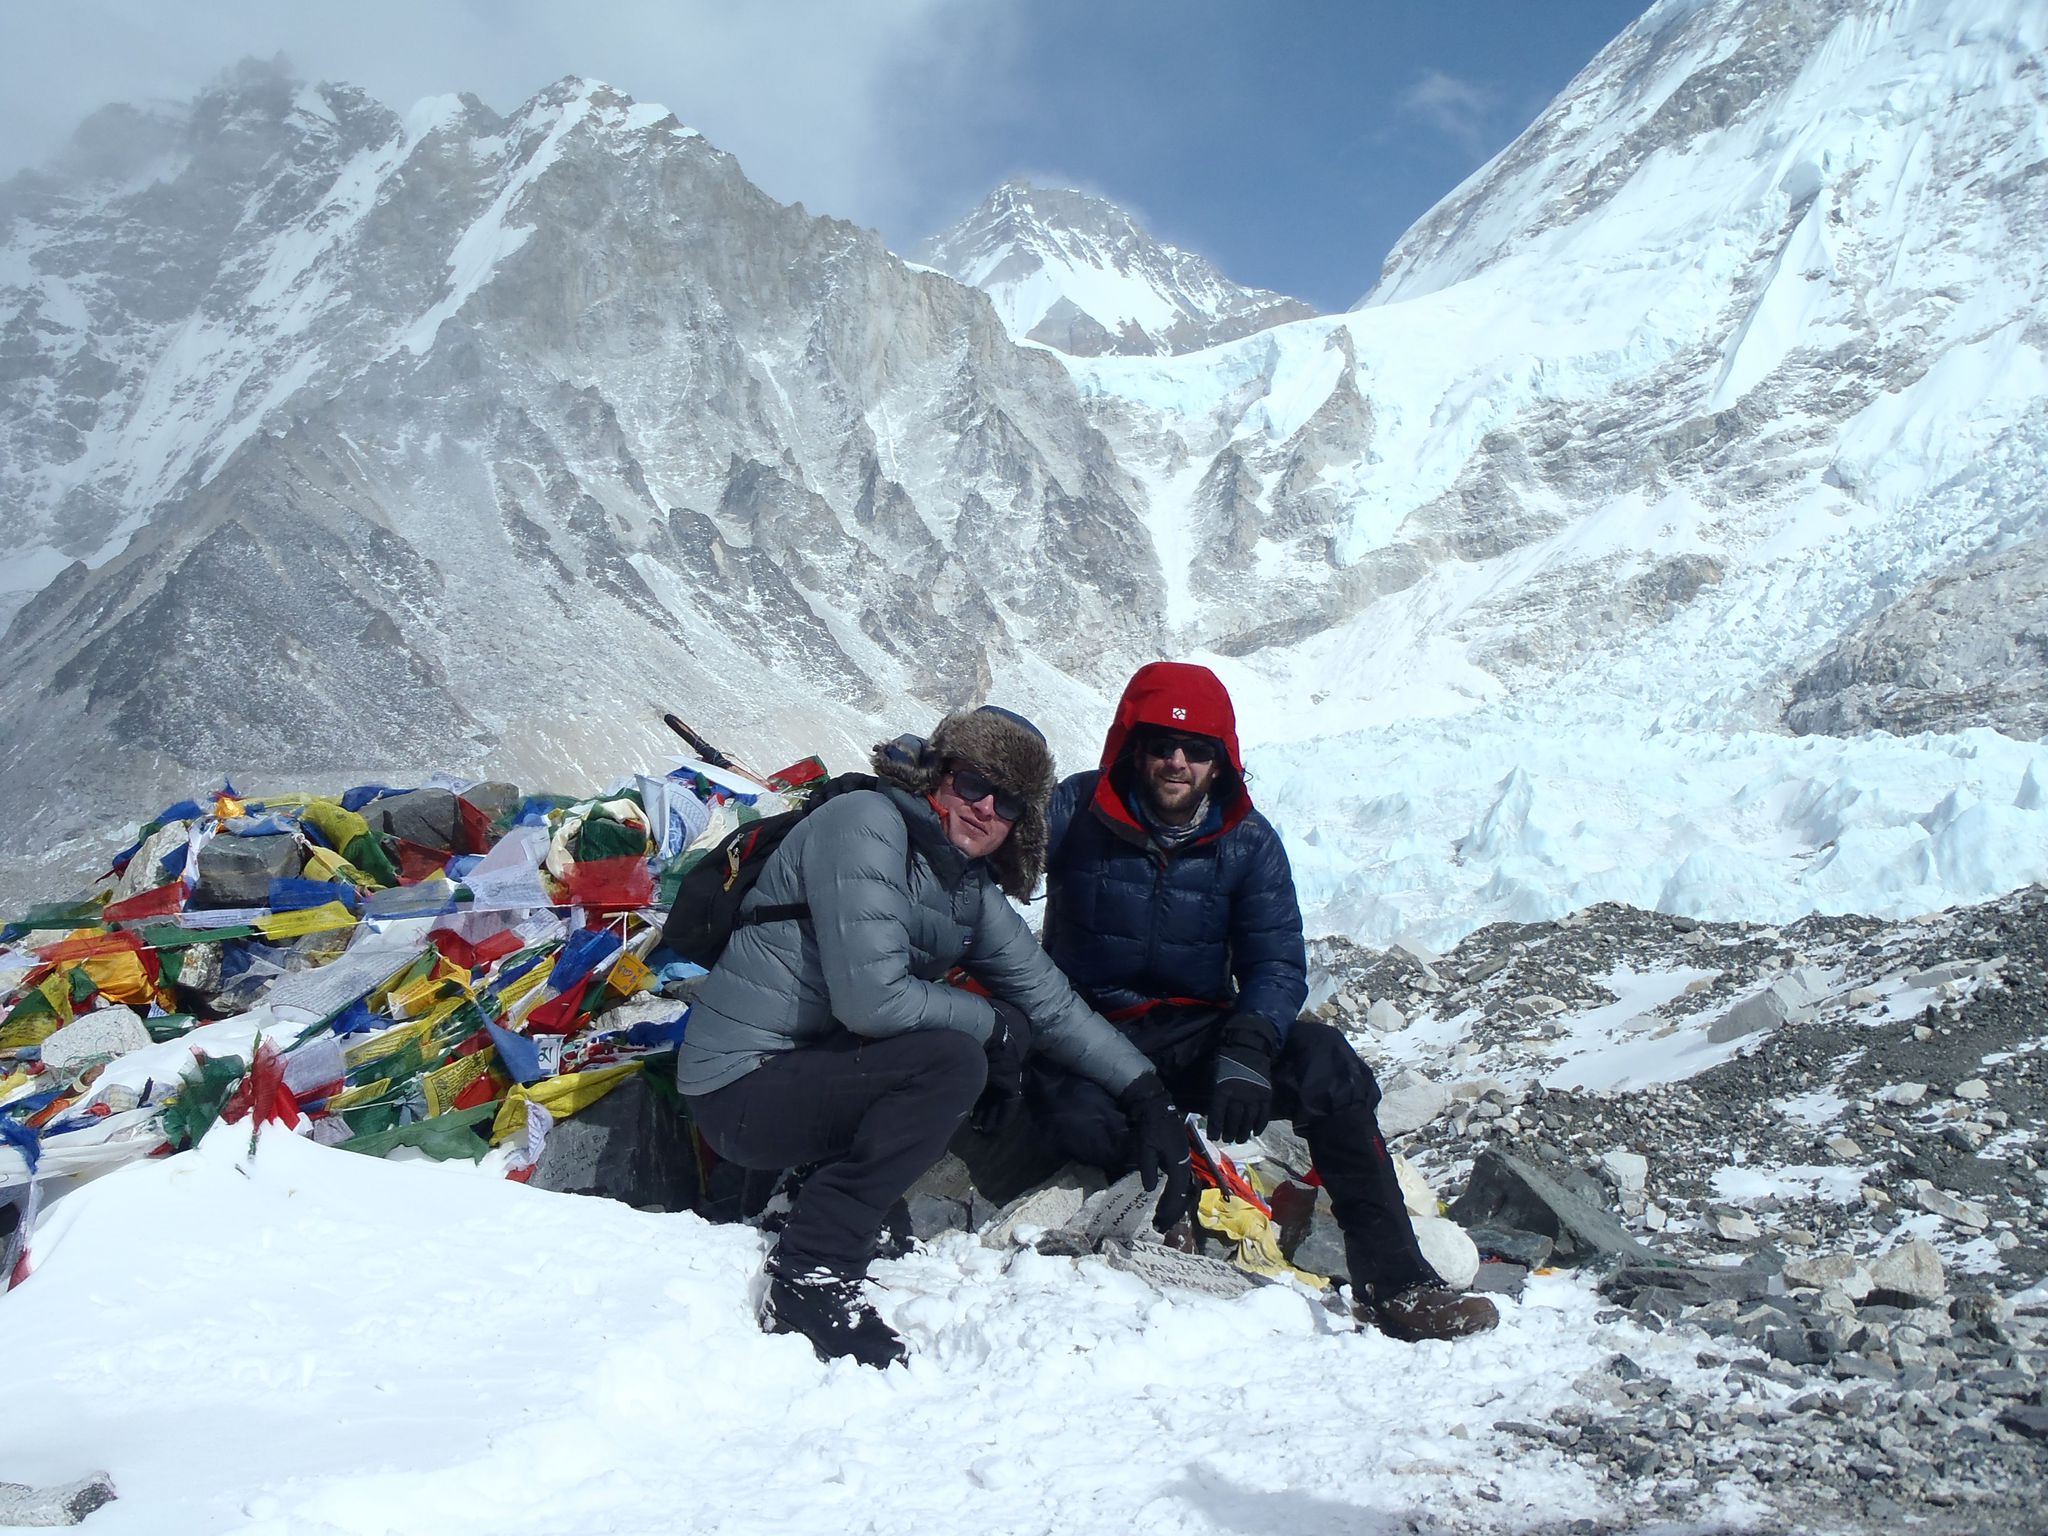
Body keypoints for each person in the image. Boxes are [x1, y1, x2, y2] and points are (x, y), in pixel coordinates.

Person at [676, 705, 1193, 1368]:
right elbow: (873, 1000)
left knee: (964, 1043)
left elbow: (1051, 1003)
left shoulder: (963, 887)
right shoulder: (865, 822)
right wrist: (994, 1028)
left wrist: (1148, 1097)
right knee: (950, 1059)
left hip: (800, 1076)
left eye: (1007, 803)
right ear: (935, 776)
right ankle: (811, 1271)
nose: (985, 809)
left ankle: (803, 1193)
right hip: (739, 1087)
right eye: (973, 784)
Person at [1030, 661, 1499, 1342]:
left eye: (1196, 749)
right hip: (1086, 1035)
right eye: (1162, 743)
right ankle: (1166, 1199)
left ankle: (1395, 1283)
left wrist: (1249, 1047)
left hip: (1192, 1031)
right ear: (1135, 745)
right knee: (1068, 1113)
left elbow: (1276, 962)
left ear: (1222, 761)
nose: (1176, 760)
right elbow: (992, 847)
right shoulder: (1077, 809)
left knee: (1329, 1067)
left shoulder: (1248, 843)